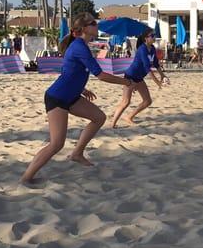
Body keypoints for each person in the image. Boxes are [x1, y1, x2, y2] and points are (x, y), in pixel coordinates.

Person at [21, 13, 134, 183]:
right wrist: (125, 81)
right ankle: (26, 178)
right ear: (84, 29)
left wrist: (81, 88)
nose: (97, 25)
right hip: (57, 98)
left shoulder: (80, 46)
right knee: (56, 144)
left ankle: (77, 153)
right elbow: (101, 75)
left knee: (98, 118)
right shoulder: (79, 47)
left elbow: (70, 73)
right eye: (93, 23)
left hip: (72, 96)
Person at [111, 28, 168, 128]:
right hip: (130, 77)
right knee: (126, 102)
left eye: (154, 35)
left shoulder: (153, 48)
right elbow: (147, 68)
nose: (154, 37)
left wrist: (162, 75)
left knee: (147, 101)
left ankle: (129, 117)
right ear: (146, 38)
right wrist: (157, 83)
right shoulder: (142, 49)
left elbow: (155, 64)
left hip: (139, 78)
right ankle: (113, 124)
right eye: (152, 36)